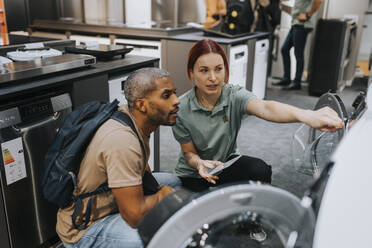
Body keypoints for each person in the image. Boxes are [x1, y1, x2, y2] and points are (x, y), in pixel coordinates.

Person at [172, 39, 343, 193]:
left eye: (218, 69)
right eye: (204, 70)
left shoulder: (233, 95)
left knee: (259, 170)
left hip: (224, 165)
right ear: (191, 73)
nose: (213, 78)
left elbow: (266, 107)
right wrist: (199, 164)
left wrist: (307, 115)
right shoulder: (182, 107)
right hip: (194, 173)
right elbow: (188, 154)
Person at [58, 68, 181, 248]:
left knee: (173, 182)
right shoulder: (122, 141)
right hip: (84, 228)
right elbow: (134, 216)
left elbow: (140, 165)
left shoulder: (130, 117)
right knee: (152, 238)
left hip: (108, 199)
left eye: (174, 93)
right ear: (142, 105)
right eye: (166, 95)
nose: (177, 101)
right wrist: (160, 196)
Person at [273, 0, 323, 90]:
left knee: (298, 53)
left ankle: (297, 82)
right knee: (284, 49)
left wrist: (308, 15)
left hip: (302, 25)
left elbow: (319, 1)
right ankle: (287, 78)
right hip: (296, 23)